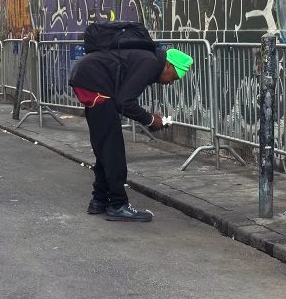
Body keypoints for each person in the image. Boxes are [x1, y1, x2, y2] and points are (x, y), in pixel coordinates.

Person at [68, 46, 193, 222]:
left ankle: (99, 200)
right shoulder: (150, 64)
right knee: (113, 150)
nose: (171, 82)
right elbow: (125, 102)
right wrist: (151, 120)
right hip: (96, 87)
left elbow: (122, 99)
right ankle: (118, 205)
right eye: (174, 77)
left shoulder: (149, 60)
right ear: (169, 66)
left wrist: (150, 119)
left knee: (105, 148)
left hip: (89, 82)